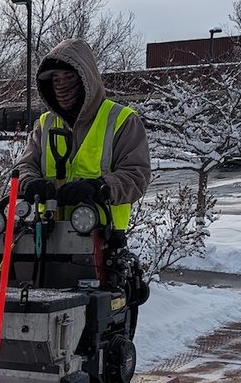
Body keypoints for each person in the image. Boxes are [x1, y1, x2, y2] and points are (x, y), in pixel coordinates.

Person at [13, 36, 151, 245]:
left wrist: (100, 188)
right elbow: (25, 165)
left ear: (85, 78)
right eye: (56, 80)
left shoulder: (121, 120)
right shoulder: (45, 124)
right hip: (48, 234)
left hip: (102, 235)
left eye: (68, 78)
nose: (61, 86)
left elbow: (136, 175)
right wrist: (30, 183)